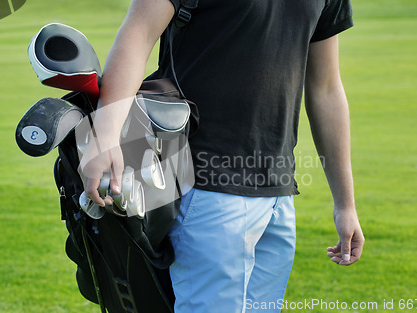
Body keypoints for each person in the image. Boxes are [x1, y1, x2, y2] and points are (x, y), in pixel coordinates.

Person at [82, 0, 365, 312]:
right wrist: (105, 135)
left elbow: (325, 87)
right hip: (203, 188)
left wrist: (345, 204)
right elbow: (138, 34)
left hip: (278, 195)